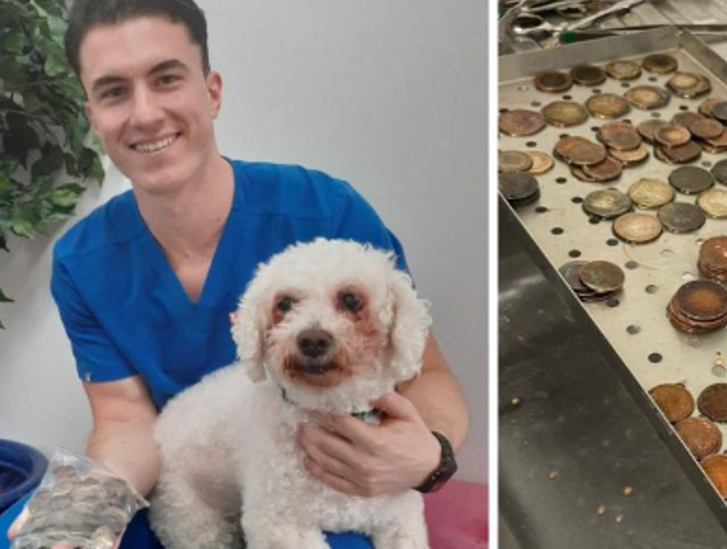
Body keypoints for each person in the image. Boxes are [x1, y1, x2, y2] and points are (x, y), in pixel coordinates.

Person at [3, 0, 469, 547]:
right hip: (191, 478)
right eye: (114, 91)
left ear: (212, 91)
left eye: (166, 79)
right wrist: (75, 521)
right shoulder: (82, 260)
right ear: (92, 118)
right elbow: (126, 421)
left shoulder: (326, 212)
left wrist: (430, 455)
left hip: (330, 475)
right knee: (23, 537)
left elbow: (427, 373)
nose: (145, 113)